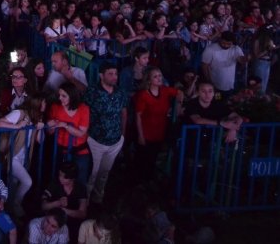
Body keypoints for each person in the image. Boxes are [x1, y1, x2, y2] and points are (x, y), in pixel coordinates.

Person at [0, 94, 47, 216]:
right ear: (37, 103)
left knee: (13, 186)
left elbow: (40, 140)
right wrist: (17, 126)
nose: (45, 105)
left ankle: (10, 213)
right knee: (27, 182)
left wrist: (41, 128)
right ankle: (16, 205)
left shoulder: (37, 117)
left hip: (23, 157)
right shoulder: (19, 113)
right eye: (44, 102)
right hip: (12, 156)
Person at [84, 63, 128, 205]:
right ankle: (85, 202)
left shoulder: (120, 92)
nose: (114, 77)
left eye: (115, 74)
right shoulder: (92, 92)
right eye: (110, 74)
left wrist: (122, 135)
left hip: (115, 140)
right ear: (101, 75)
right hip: (96, 140)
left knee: (104, 173)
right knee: (92, 173)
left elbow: (124, 113)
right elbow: (85, 111)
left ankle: (98, 199)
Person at [133, 67, 183, 182]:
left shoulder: (165, 90)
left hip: (159, 131)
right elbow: (138, 116)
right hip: (145, 132)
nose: (159, 78)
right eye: (155, 76)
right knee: (141, 160)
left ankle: (147, 183)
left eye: (160, 75)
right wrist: (140, 136)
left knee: (153, 158)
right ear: (149, 80)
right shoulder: (143, 95)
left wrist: (178, 107)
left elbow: (179, 93)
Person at [47, 82, 91, 187]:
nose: (60, 98)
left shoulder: (83, 108)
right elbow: (50, 132)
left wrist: (65, 125)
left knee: (80, 181)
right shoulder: (55, 107)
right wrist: (50, 125)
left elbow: (81, 133)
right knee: (58, 180)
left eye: (64, 96)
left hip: (80, 151)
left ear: (72, 95)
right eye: (59, 95)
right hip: (60, 151)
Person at [183, 79, 244, 144]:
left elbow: (238, 117)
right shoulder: (191, 103)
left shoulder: (217, 104)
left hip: (209, 141)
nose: (207, 94)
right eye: (203, 91)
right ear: (198, 93)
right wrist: (222, 123)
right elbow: (198, 120)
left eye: (210, 91)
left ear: (213, 93)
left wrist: (233, 128)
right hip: (190, 140)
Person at [42, 162, 88, 242]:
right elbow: (43, 206)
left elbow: (82, 214)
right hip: (53, 219)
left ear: (72, 178)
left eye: (64, 177)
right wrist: (57, 203)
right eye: (60, 175)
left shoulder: (81, 188)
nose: (60, 178)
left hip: (71, 223)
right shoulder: (54, 184)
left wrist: (65, 211)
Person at [200, 31, 247, 97]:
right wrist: (209, 81)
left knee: (228, 102)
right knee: (218, 102)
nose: (225, 45)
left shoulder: (235, 48)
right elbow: (204, 65)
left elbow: (241, 60)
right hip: (216, 86)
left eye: (229, 44)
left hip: (230, 85)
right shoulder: (210, 49)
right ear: (220, 39)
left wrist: (247, 58)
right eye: (223, 43)